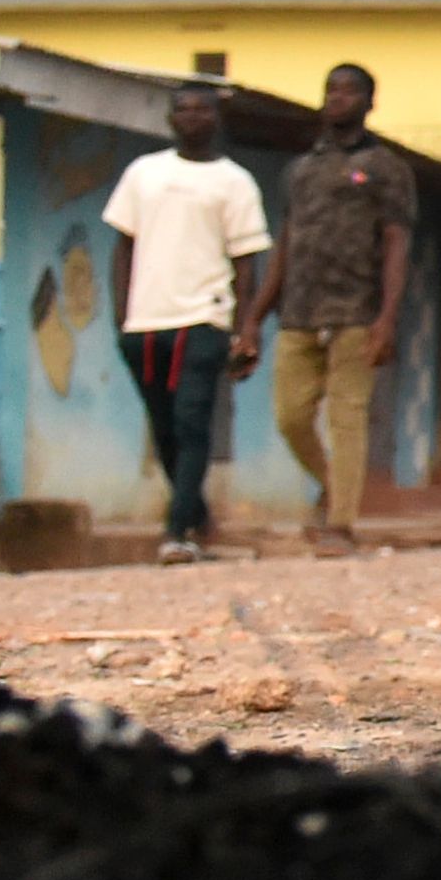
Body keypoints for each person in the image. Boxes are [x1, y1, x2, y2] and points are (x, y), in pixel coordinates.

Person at [105, 84, 271, 564]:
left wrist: (247, 327)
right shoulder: (143, 173)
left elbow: (246, 261)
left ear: (217, 119)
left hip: (203, 318)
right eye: (183, 109)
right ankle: (197, 513)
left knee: (192, 421)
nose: (192, 116)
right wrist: (122, 313)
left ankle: (176, 532)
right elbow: (123, 246)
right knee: (163, 427)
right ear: (170, 118)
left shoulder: (234, 181)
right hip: (144, 323)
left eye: (202, 109)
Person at [256, 62, 416, 549]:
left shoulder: (386, 169)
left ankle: (340, 524)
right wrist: (254, 316)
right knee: (291, 416)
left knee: (347, 417)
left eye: (349, 91)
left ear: (370, 102)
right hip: (300, 311)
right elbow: (286, 242)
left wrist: (387, 317)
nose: (337, 98)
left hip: (357, 312)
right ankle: (332, 484)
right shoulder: (301, 170)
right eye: (331, 90)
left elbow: (396, 242)